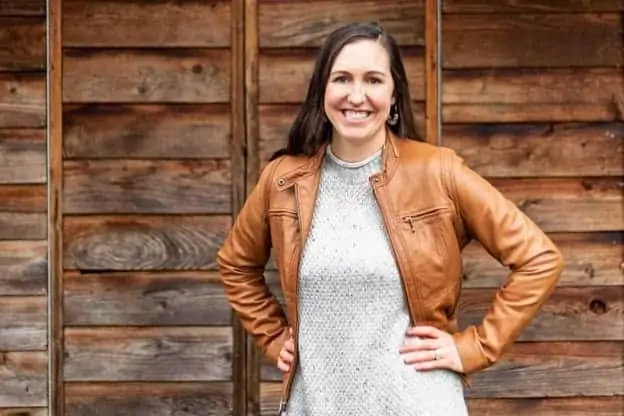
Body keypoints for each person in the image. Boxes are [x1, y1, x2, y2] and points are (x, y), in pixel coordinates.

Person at [217, 22, 564, 416]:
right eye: (342, 78)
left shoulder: (438, 172)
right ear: (322, 91)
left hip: (418, 404)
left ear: (394, 94)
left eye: (374, 80)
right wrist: (275, 337)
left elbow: (539, 258)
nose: (357, 95)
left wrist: (474, 347)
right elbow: (236, 263)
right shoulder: (281, 179)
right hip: (314, 406)